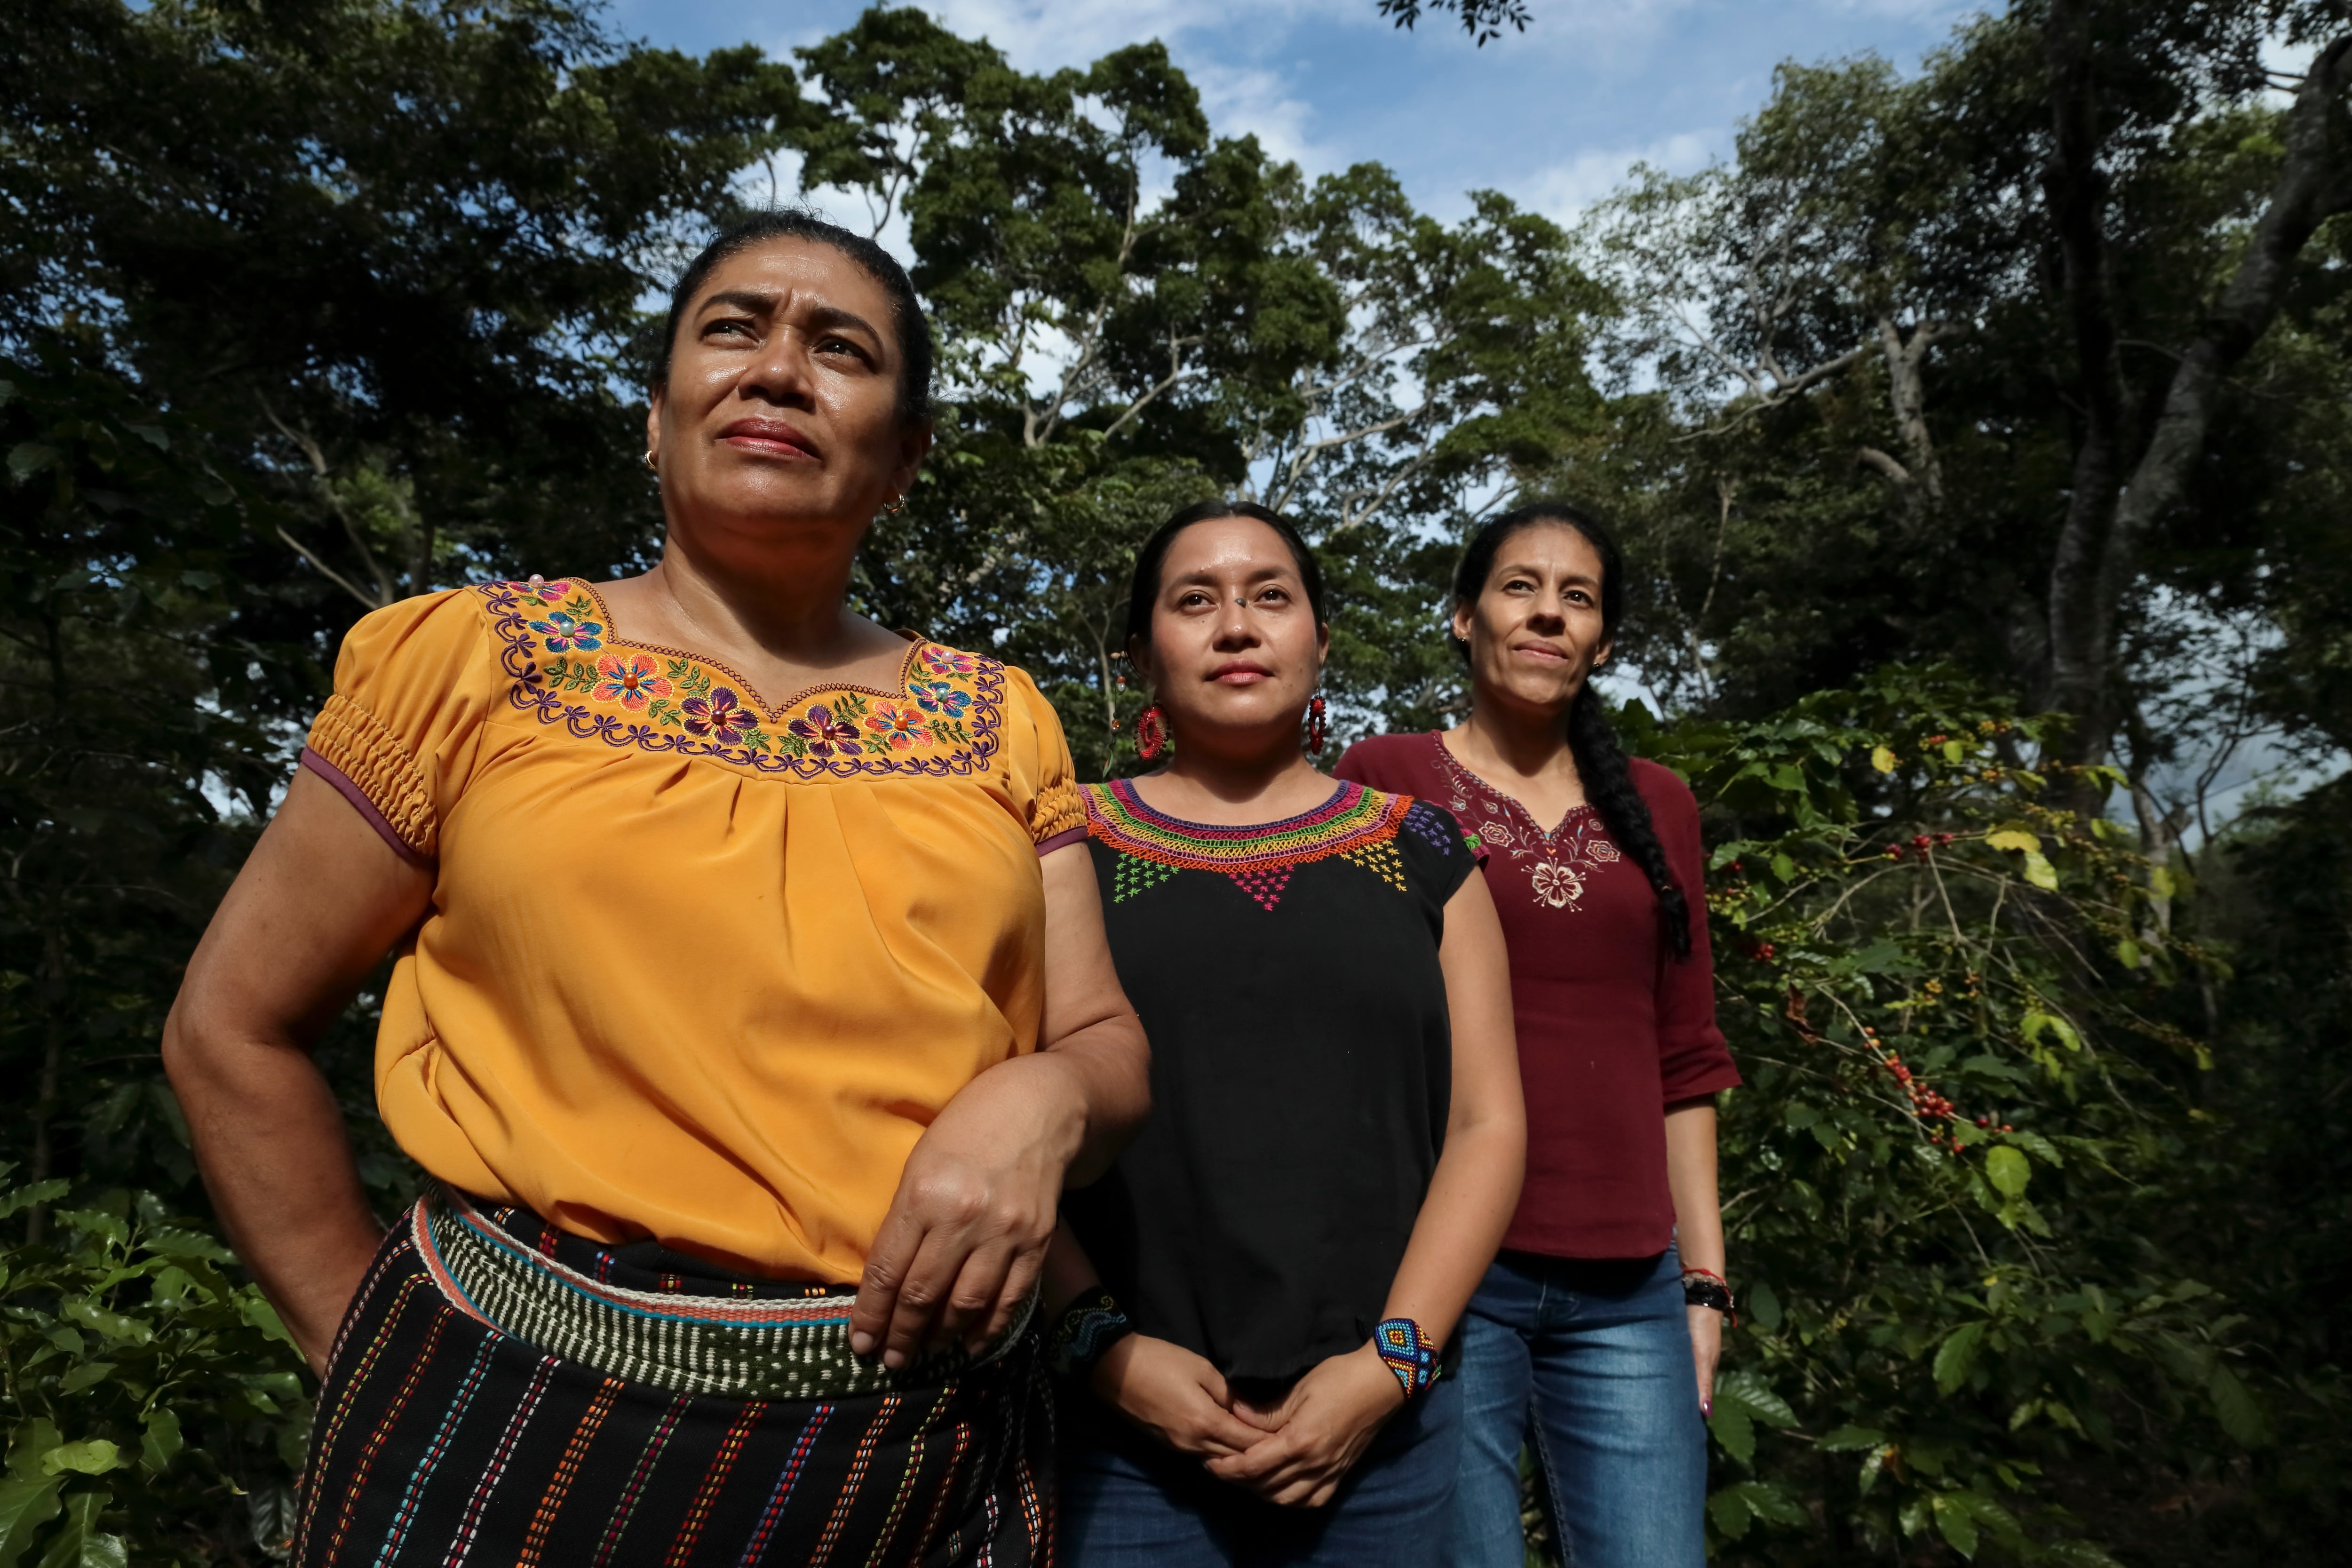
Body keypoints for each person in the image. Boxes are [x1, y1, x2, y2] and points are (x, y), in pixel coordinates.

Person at [162, 210, 1150, 1568]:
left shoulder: (1002, 719)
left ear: (905, 456)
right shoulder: (472, 661)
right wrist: (375, 1357)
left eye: (841, 348)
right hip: (496, 1428)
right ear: (656, 413)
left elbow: (1102, 1039)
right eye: (733, 328)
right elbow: (232, 1026)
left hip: (919, 1454)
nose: (779, 370)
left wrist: (1042, 1100)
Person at [1041, 501, 1526, 1568]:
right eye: (1194, 599)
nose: (1236, 625)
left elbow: (1488, 1122)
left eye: (1270, 595)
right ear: (1140, 654)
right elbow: (1004, 1111)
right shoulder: (1061, 843)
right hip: (1120, 1438)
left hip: (1384, 1436)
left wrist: (1392, 1361)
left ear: (1317, 637)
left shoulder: (1423, 845)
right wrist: (1101, 1349)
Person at [1335, 501, 1739, 1568]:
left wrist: (1703, 1281)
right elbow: (1349, 1027)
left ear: (1603, 641)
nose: (1547, 615)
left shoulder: (1662, 804)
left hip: (1630, 1287)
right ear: (1464, 616)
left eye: (1577, 597)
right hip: (1451, 1274)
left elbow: (1685, 1052)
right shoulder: (1385, 775)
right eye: (1519, 587)